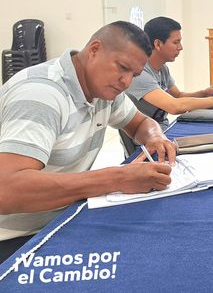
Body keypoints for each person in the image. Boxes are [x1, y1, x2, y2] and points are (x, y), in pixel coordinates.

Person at [0, 22, 176, 263]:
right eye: (123, 67)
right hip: (14, 238)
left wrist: (155, 137)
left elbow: (140, 123)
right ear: (94, 49)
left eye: (134, 75)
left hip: (61, 217)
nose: (126, 82)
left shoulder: (104, 89)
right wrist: (116, 178)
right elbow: (6, 190)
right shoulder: (41, 95)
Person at [127, 17, 213, 130]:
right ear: (158, 44)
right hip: (147, 138)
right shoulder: (140, 73)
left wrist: (204, 93)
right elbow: (174, 106)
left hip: (162, 130)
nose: (180, 47)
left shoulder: (162, 68)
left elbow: (178, 96)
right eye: (176, 42)